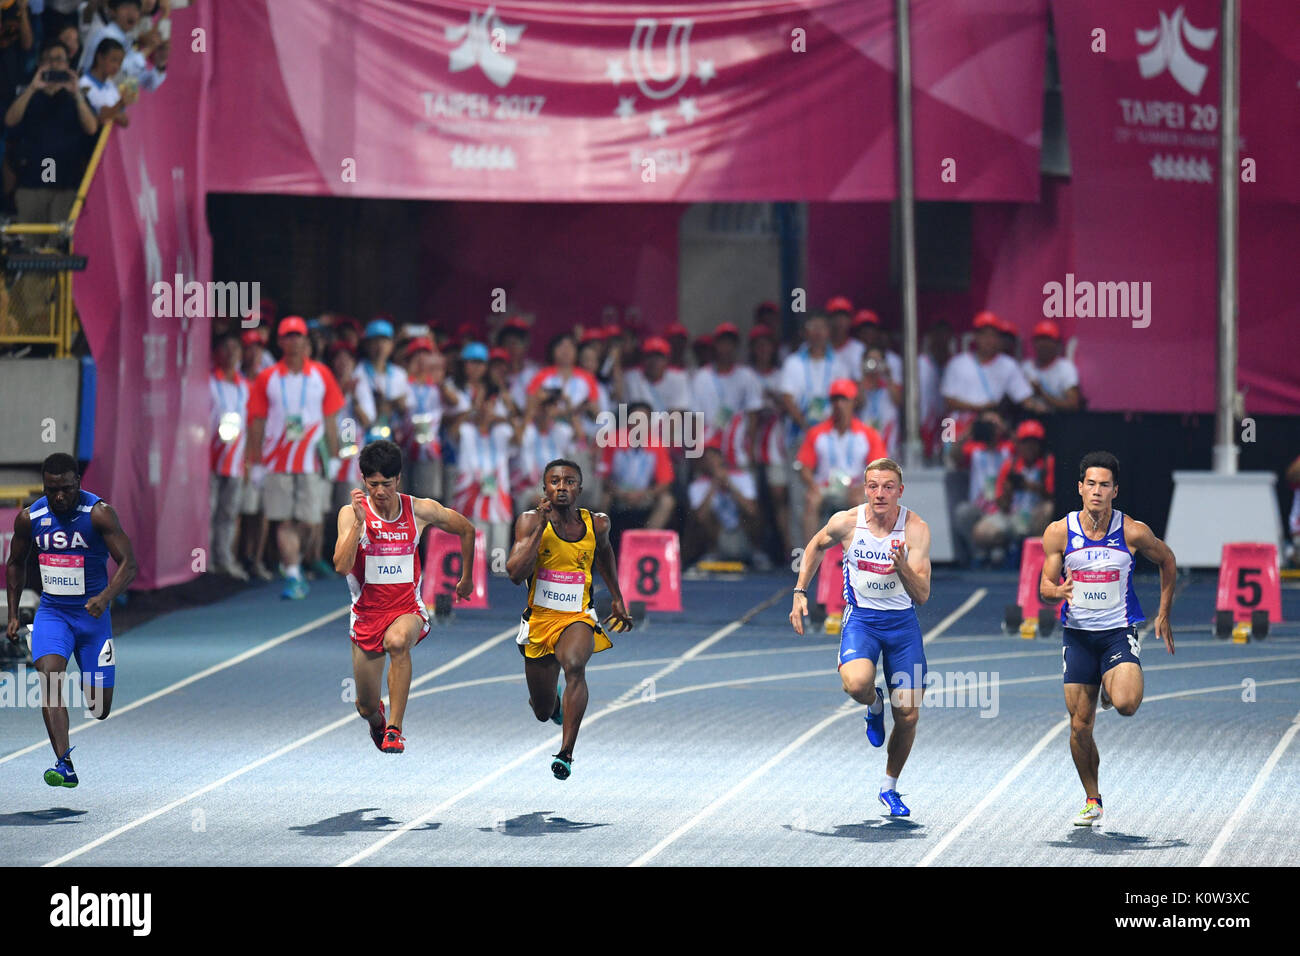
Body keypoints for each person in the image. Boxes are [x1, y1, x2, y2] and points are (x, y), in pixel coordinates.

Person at [1039, 451, 1177, 827]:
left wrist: (1164, 611)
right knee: (1080, 726)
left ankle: (1109, 685)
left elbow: (1167, 560)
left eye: (1104, 485)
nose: (1097, 492)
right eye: (1091, 484)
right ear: (1079, 487)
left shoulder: (1132, 531)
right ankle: (1092, 797)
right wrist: (1057, 592)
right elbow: (1044, 587)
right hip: (1079, 638)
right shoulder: (1059, 532)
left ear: (1115, 490)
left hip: (1117, 634)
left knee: (1127, 704)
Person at [790, 458, 932, 817]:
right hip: (863, 621)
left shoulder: (915, 529)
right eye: (873, 486)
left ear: (900, 491)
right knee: (856, 684)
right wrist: (799, 591)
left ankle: (889, 788)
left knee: (910, 715)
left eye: (888, 487)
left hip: (902, 625)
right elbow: (815, 546)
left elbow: (923, 595)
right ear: (864, 488)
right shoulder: (845, 522)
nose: (880, 493)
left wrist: (902, 569)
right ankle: (873, 704)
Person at [334, 440, 475, 754]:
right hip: (367, 615)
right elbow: (340, 566)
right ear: (363, 481)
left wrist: (466, 577)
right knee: (365, 705)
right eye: (373, 485)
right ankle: (379, 722)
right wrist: (359, 524)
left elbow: (466, 529)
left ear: (398, 479)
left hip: (406, 609)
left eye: (386, 484)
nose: (380, 492)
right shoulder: (351, 513)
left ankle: (395, 729)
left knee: (397, 642)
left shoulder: (419, 509)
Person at [5, 452, 138, 787]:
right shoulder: (29, 517)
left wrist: (105, 598)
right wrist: (12, 614)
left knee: (99, 707)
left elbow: (129, 564)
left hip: (93, 619)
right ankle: (64, 763)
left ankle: (89, 674)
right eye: (51, 490)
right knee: (48, 678)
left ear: (78, 482)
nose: (59, 496)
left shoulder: (99, 514)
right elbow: (16, 562)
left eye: (65, 488)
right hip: (52, 614)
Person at [506, 458, 633, 780]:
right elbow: (514, 573)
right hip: (539, 620)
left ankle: (566, 753)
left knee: (575, 666)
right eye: (555, 481)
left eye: (569, 481)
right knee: (542, 710)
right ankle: (555, 708)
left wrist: (616, 597)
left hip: (577, 615)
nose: (562, 487)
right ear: (544, 488)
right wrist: (539, 529)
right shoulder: (529, 521)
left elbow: (604, 553)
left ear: (579, 488)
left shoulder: (597, 523)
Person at [245, 315, 344, 599]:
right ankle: (292, 574)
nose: (294, 341)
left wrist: (335, 455)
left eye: (298, 335)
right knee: (284, 520)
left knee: (311, 520)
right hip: (277, 460)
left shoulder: (321, 375)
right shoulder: (268, 378)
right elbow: (257, 423)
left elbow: (331, 419)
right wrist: (255, 463)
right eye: (288, 336)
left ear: (306, 340)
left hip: (312, 458)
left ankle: (295, 562)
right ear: (280, 342)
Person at [5, 39, 97, 224]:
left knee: (58, 247)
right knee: (30, 247)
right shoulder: (28, 93)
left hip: (65, 183)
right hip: (32, 184)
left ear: (67, 64)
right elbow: (10, 121)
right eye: (48, 59)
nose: (54, 64)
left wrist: (76, 93)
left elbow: (91, 128)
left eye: (59, 59)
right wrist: (33, 87)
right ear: (39, 64)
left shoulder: (75, 97)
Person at [795, 379, 888, 545]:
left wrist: (863, 486)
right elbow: (804, 466)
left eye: (844, 399)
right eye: (835, 400)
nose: (839, 404)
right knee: (811, 499)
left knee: (858, 500)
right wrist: (812, 484)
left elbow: (879, 468)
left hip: (855, 486)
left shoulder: (868, 434)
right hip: (824, 486)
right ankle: (810, 555)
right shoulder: (817, 433)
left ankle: (860, 554)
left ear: (853, 402)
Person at [940, 310, 1033, 446]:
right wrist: (981, 407)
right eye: (984, 334)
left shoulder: (1008, 365)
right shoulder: (958, 363)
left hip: (992, 427)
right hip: (959, 427)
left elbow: (1025, 399)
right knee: (955, 460)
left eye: (993, 335)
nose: (989, 340)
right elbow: (948, 401)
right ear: (976, 336)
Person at [209, 331, 250, 580]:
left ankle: (224, 559)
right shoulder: (208, 382)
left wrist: (249, 460)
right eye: (227, 347)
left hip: (235, 460)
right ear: (217, 352)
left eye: (236, 348)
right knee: (208, 512)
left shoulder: (245, 386)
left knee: (228, 513)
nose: (232, 353)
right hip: (210, 459)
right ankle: (206, 560)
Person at [1021, 320, 1081, 415]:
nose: (1043, 344)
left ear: (1057, 344)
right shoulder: (1026, 367)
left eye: (1048, 340)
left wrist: (1042, 394)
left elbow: (1073, 404)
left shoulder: (1065, 368)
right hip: (1031, 419)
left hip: (1059, 420)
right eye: (1040, 339)